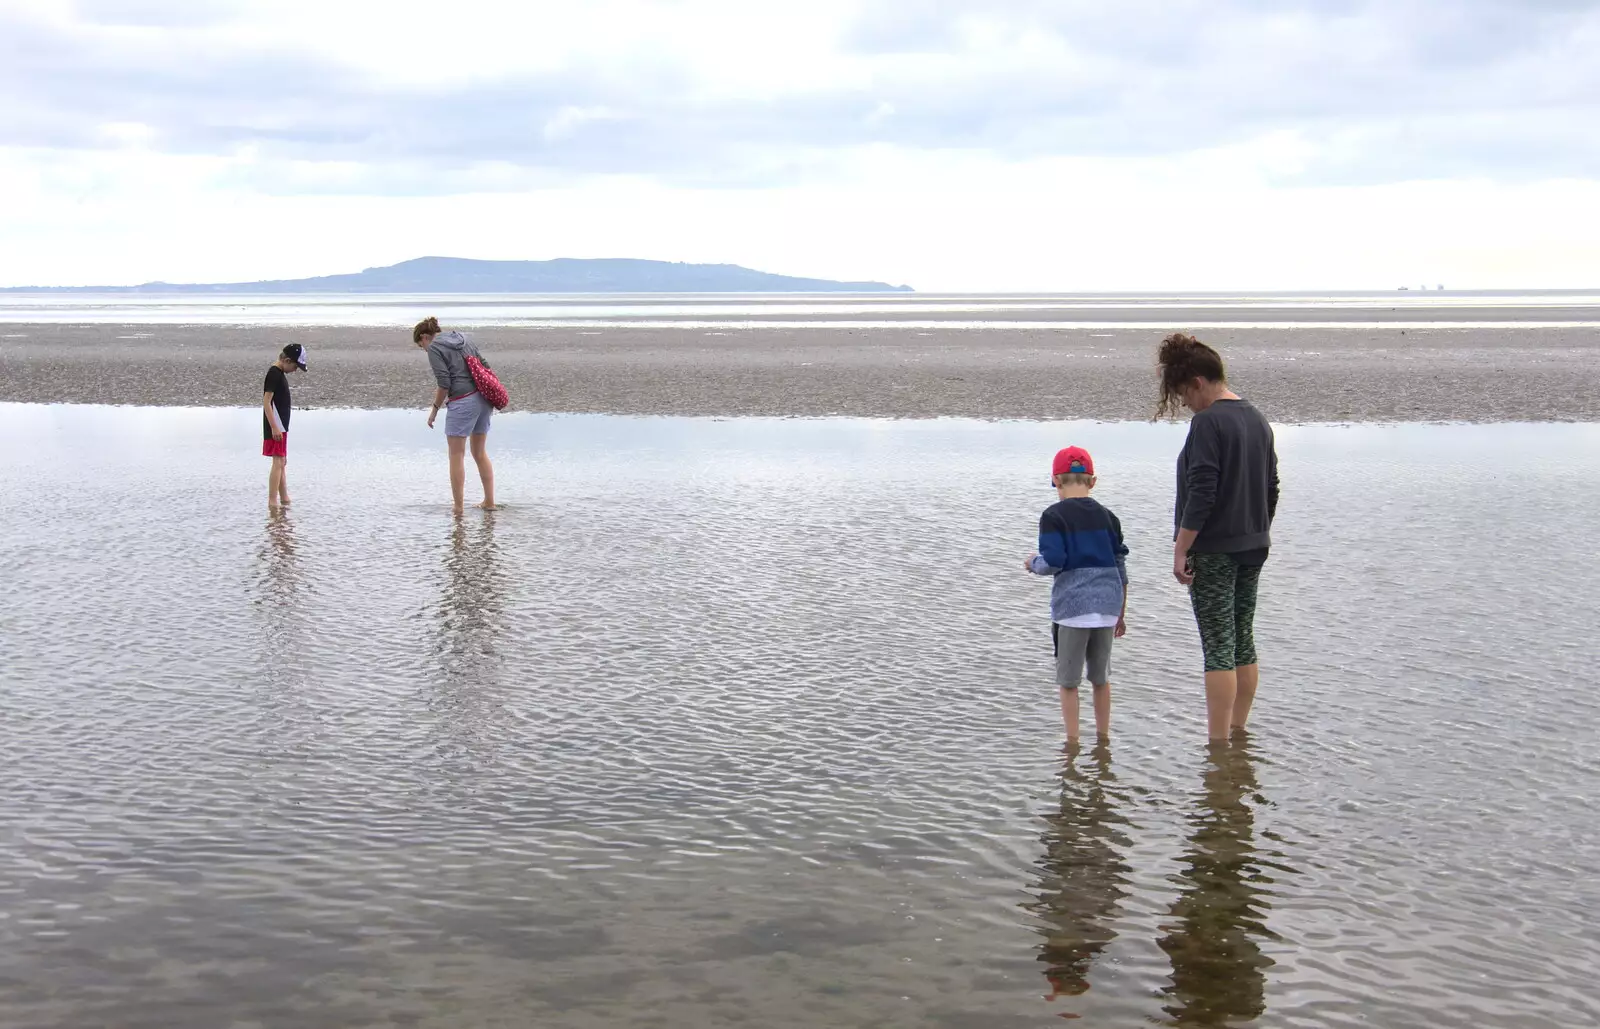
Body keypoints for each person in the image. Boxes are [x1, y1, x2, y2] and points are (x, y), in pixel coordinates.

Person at [1158, 333, 1280, 741]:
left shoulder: (1208, 422)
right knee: (1242, 639)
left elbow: (1202, 491)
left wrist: (1181, 547)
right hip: (1253, 545)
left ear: (1197, 381)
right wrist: (1257, 528)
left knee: (1218, 646)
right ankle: (1237, 732)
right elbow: (1271, 487)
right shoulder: (1256, 417)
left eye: (1183, 395)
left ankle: (1218, 745)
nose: (1187, 404)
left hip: (1213, 550)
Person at [1024, 446, 1130, 740]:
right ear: (1092, 482)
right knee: (1101, 679)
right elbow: (1121, 566)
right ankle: (1103, 741)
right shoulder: (1109, 517)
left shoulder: (1053, 516)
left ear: (1056, 481)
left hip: (1072, 610)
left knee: (1069, 683)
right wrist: (1121, 613)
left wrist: (1033, 563)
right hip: (1109, 607)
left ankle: (1071, 746)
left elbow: (1054, 562)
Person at [413, 316, 496, 515]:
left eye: (420, 345)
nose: (424, 349)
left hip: (463, 401)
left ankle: (458, 509)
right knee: (479, 453)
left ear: (425, 337)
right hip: (483, 399)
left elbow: (444, 383)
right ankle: (489, 502)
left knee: (456, 455)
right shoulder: (463, 338)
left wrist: (434, 410)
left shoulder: (434, 348)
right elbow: (485, 365)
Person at [262, 343, 305, 510]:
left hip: (281, 425)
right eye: (295, 366)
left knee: (282, 461)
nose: (295, 370)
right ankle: (273, 501)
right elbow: (266, 401)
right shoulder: (274, 373)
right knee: (278, 461)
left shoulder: (279, 373)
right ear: (287, 360)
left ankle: (284, 498)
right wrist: (274, 427)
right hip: (276, 424)